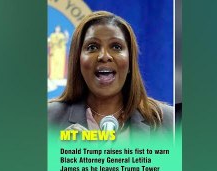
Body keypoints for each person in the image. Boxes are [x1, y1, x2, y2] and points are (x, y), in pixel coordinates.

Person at [48, 11, 174, 139]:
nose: (104, 56)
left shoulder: (170, 122)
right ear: (78, 61)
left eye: (116, 47)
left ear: (130, 62)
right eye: (92, 47)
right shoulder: (47, 119)